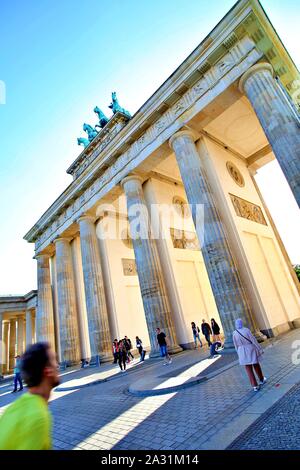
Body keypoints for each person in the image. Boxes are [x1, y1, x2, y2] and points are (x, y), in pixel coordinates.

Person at [0, 342, 59, 450]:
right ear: (47, 371)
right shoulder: (38, 417)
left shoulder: (11, 409)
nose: (57, 365)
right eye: (54, 360)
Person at [233, 318, 266, 392]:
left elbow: (235, 345)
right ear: (242, 323)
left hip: (241, 351)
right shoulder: (246, 330)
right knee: (256, 365)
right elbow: (253, 340)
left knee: (248, 369)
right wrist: (259, 349)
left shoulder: (234, 333)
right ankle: (261, 379)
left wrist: (239, 353)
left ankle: (254, 386)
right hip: (250, 349)